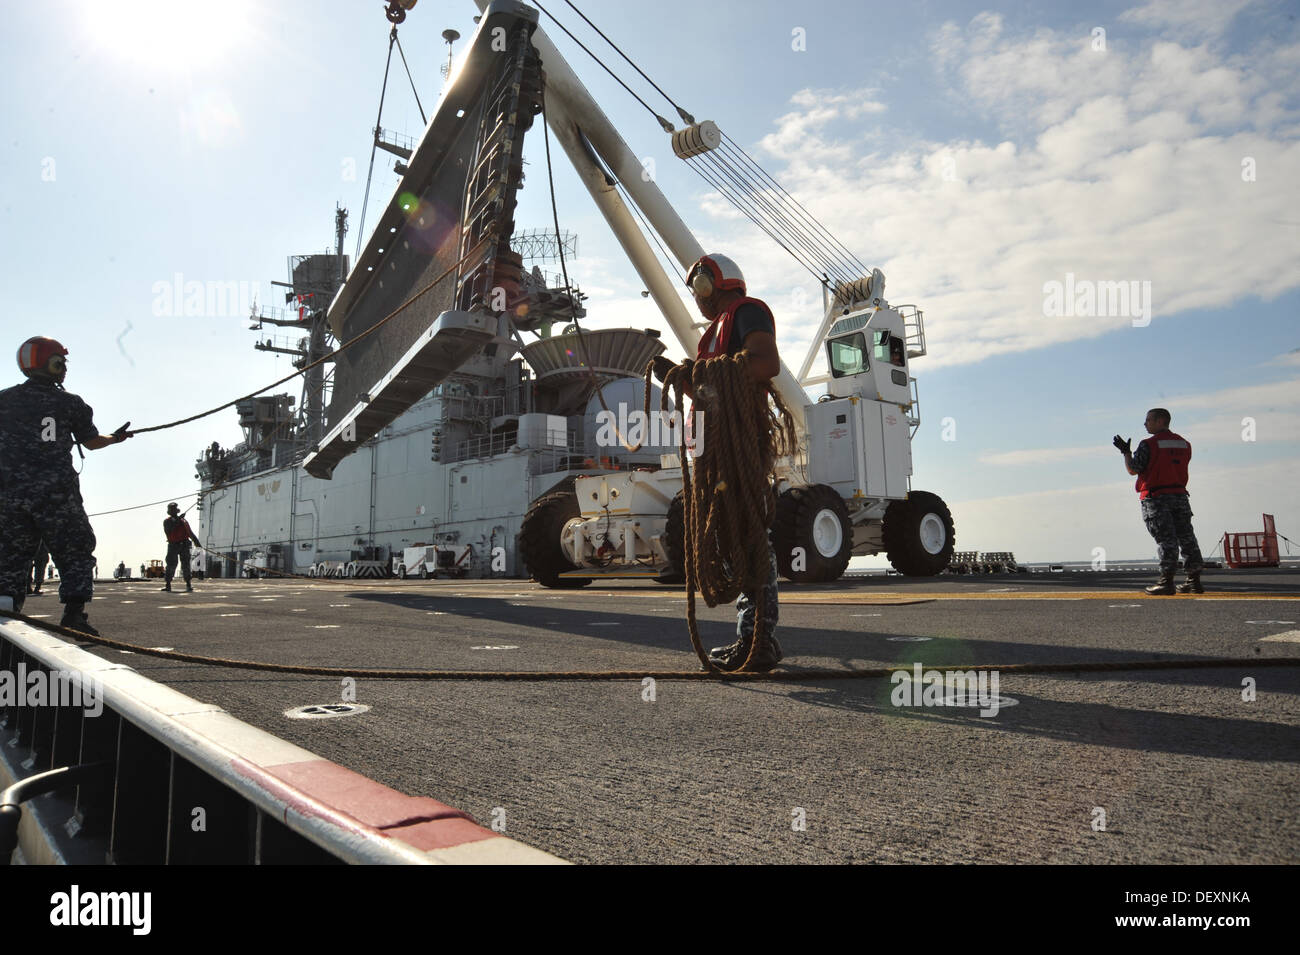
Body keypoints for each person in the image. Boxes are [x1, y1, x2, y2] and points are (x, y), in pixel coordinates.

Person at [654, 253, 785, 671]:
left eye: (698, 285)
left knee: (749, 537)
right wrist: (678, 375)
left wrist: (703, 373)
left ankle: (759, 639)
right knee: (731, 538)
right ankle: (751, 636)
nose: (696, 296)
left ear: (714, 282)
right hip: (714, 448)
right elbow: (711, 390)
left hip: (739, 445)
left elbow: (765, 363)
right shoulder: (712, 335)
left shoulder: (747, 311)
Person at [0, 337, 132, 634]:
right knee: (75, 548)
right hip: (56, 494)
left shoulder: (3, 400)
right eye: (61, 361)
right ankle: (74, 614)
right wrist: (116, 438)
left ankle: (6, 611)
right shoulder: (70, 403)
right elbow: (92, 442)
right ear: (53, 363)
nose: (64, 368)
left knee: (9, 553)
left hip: (9, 494)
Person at [1114, 408, 1204, 595]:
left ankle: (1166, 581)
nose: (1145, 423)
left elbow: (1133, 469)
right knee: (1187, 538)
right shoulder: (1184, 444)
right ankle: (1193, 581)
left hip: (1156, 498)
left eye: (1148, 420)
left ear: (1160, 421)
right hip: (1180, 496)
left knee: (1166, 540)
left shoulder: (1149, 444)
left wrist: (1126, 453)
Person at [162, 502, 202, 592]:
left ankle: (188, 584)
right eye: (171, 509)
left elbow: (190, 533)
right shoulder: (167, 521)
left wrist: (198, 544)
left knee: (186, 565)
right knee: (171, 564)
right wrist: (178, 520)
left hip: (184, 545)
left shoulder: (183, 521)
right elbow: (169, 531)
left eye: (174, 509)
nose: (173, 511)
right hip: (173, 545)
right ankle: (168, 584)